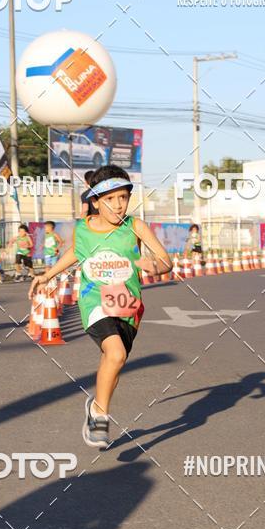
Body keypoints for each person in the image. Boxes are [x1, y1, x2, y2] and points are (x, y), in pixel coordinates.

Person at [28, 165, 172, 449]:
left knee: (114, 361)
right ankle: (101, 417)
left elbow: (167, 261)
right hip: (94, 301)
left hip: (129, 305)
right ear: (95, 201)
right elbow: (74, 253)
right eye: (111, 198)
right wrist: (48, 274)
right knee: (115, 352)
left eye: (124, 197)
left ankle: (96, 406)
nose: (119, 204)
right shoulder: (83, 229)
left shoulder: (136, 226)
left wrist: (153, 265)